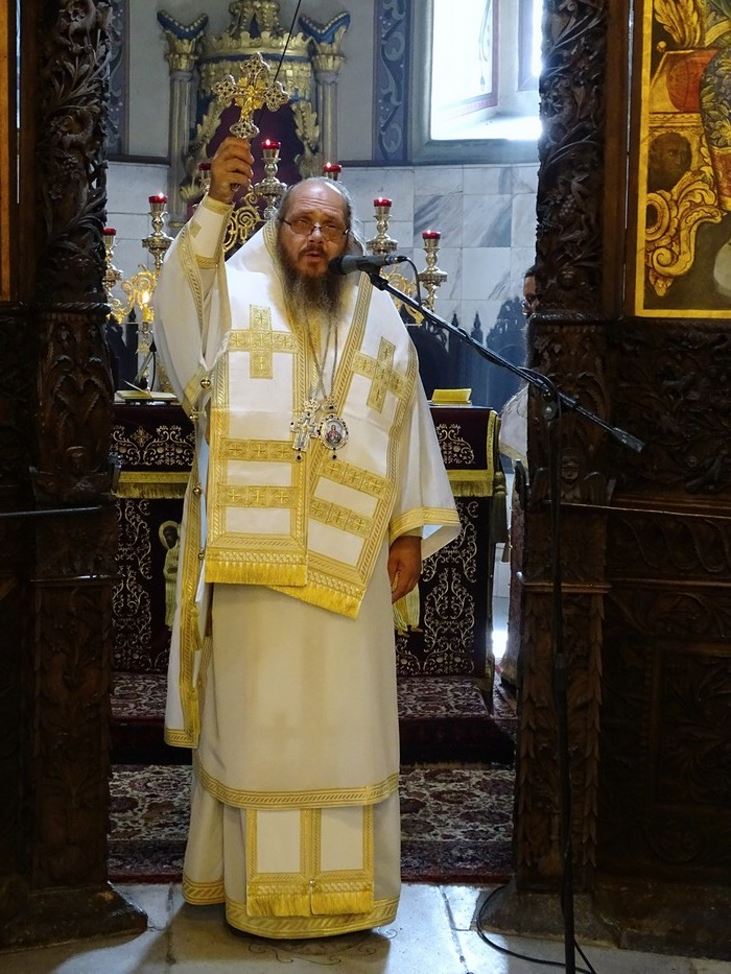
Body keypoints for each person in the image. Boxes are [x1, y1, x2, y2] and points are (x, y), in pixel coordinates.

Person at [153, 135, 460, 939]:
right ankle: (246, 884)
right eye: (301, 224)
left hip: (350, 564)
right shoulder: (234, 289)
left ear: (349, 237)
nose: (315, 238)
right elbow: (176, 310)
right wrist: (214, 205)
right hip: (253, 565)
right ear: (277, 230)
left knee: (344, 725)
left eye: (330, 226)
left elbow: (407, 425)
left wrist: (405, 532)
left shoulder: (378, 311)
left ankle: (344, 895)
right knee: (258, 726)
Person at [497, 266, 538, 687]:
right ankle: (515, 662)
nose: (529, 312)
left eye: (536, 301)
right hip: (528, 486)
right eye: (527, 303)